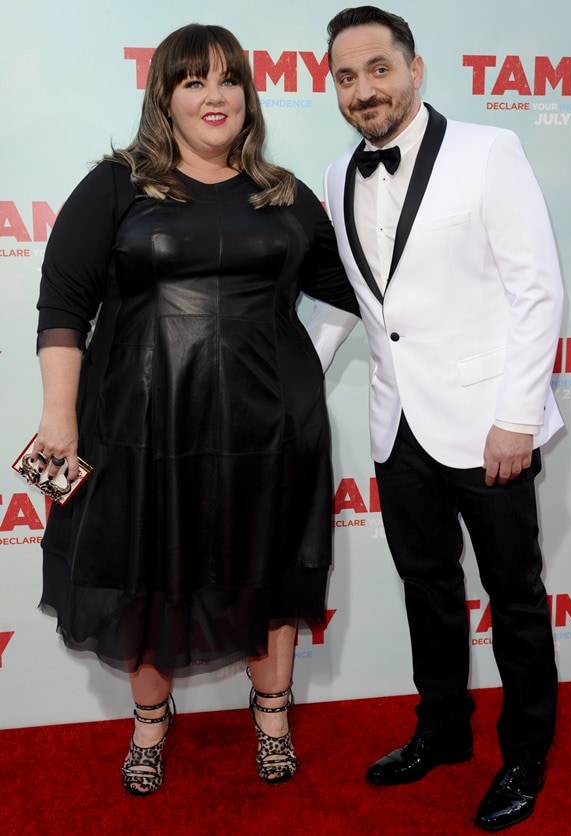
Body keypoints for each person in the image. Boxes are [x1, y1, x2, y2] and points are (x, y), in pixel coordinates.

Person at [34, 23, 359, 797]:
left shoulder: (284, 194)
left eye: (229, 80)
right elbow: (63, 305)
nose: (215, 96)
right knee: (144, 566)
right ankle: (151, 722)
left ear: (249, 94)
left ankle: (271, 715)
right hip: (142, 431)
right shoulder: (117, 186)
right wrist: (59, 416)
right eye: (193, 81)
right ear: (165, 98)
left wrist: (299, 370)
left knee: (270, 566)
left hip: (271, 433)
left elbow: (348, 295)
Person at [307, 6, 564, 831]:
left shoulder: (490, 151)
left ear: (415, 70)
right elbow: (351, 302)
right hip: (398, 426)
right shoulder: (339, 171)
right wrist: (281, 384)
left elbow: (537, 291)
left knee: (515, 598)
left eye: (378, 69)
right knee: (428, 590)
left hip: (491, 424)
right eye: (346, 77)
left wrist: (517, 418)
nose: (363, 89)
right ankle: (443, 731)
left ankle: (525, 756)